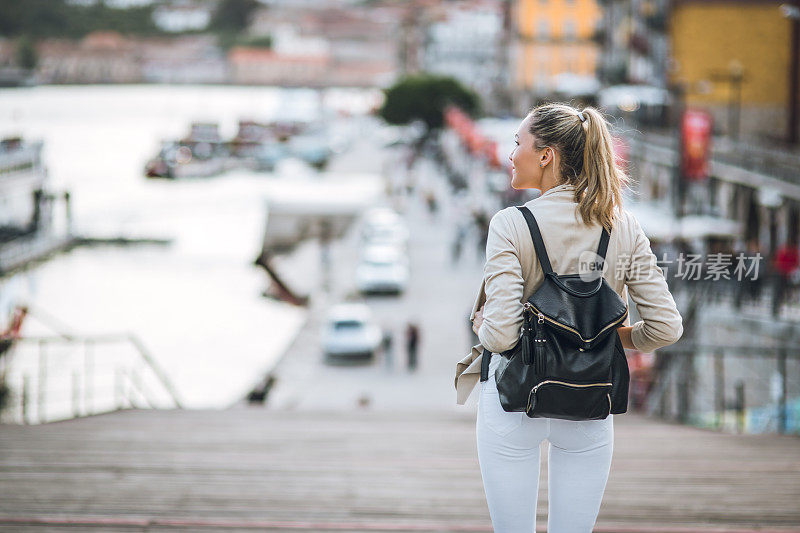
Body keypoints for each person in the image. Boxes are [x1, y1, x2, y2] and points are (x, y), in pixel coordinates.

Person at [455, 104, 683, 532]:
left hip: (514, 399)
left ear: (546, 155)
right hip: (590, 398)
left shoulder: (510, 224)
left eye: (517, 143)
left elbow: (501, 335)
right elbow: (665, 327)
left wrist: (480, 324)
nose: (511, 154)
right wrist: (609, 337)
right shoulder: (623, 226)